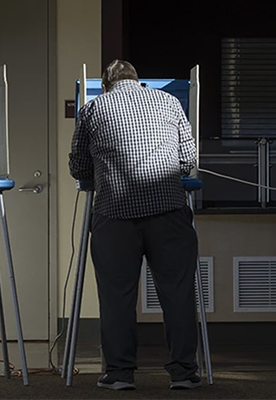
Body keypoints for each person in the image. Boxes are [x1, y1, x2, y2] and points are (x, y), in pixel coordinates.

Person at [69, 60, 200, 391]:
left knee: (117, 297)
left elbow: (79, 166)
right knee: (177, 294)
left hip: (114, 215)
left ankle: (120, 373)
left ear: (105, 84)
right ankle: (183, 373)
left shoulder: (93, 108)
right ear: (137, 81)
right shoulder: (169, 101)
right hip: (168, 211)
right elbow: (188, 160)